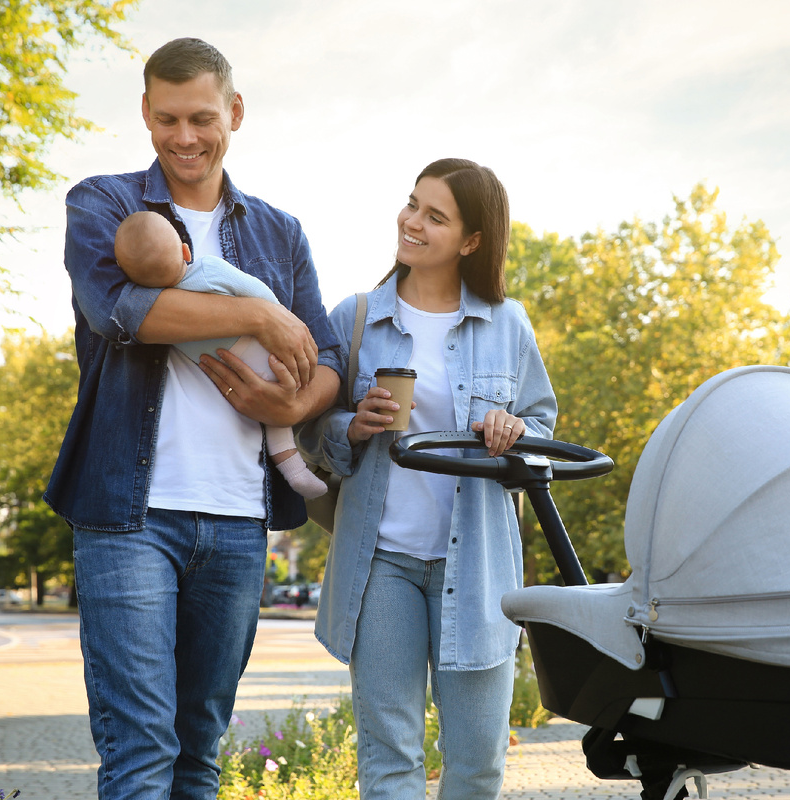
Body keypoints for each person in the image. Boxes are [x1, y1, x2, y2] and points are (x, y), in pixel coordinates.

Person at [43, 37, 340, 800]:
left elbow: (331, 358)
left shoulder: (279, 232)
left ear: (234, 112)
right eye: (168, 118)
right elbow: (121, 312)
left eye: (202, 118)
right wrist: (260, 316)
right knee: (141, 750)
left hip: (239, 520)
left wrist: (294, 404)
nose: (184, 137)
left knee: (199, 753)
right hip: (127, 516)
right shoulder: (103, 204)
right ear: (146, 111)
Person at [296, 158, 558, 799]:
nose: (411, 221)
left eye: (434, 216)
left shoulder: (508, 324)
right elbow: (307, 428)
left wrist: (513, 429)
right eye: (412, 203)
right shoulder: (356, 317)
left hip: (478, 567)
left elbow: (542, 427)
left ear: (472, 241)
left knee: (478, 760)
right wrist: (351, 427)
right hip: (381, 560)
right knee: (389, 757)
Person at [113, 209, 328, 499]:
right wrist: (281, 318)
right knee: (276, 407)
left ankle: (294, 469)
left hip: (231, 375)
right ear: (185, 251)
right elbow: (255, 291)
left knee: (271, 415)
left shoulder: (158, 314)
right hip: (268, 356)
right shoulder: (207, 269)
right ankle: (295, 469)